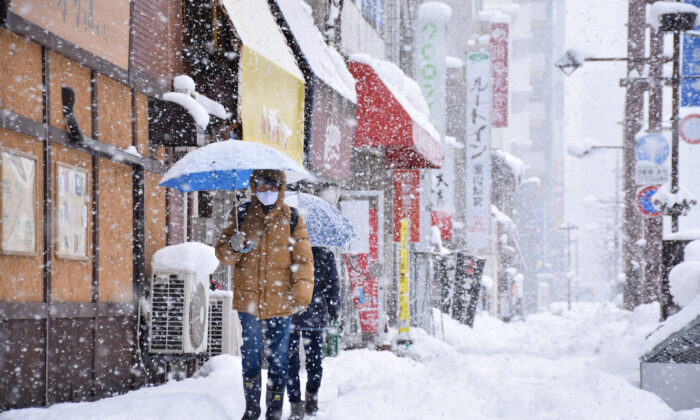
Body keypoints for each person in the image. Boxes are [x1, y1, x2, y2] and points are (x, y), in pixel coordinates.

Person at [215, 169, 314, 420]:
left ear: (280, 189)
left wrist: (300, 297)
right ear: (254, 188)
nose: (266, 193)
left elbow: (303, 261)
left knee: (278, 357)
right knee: (250, 353)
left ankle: (274, 410)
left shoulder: (292, 217)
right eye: (261, 188)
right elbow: (224, 255)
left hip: (281, 303)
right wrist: (233, 246)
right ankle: (251, 408)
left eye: (271, 188)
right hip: (248, 302)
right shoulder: (240, 215)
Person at [287, 246, 341, 420]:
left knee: (291, 362)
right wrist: (334, 309)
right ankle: (312, 397)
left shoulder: (288, 250)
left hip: (290, 313)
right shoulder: (324, 254)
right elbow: (332, 285)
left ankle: (296, 405)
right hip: (314, 316)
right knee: (314, 361)